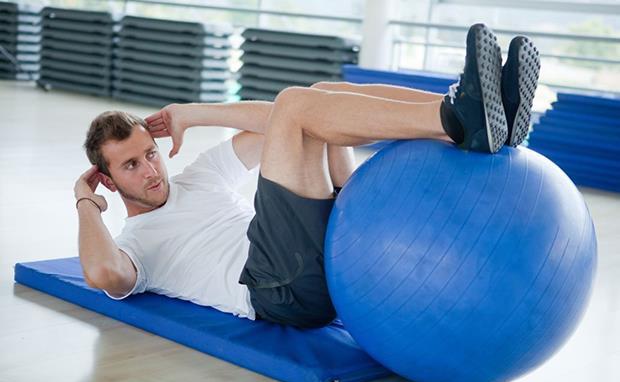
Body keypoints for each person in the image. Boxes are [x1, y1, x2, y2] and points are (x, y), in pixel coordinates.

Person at [74, 23, 540, 328]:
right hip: (280, 289)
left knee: (320, 93)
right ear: (108, 180)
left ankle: (468, 117)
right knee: (298, 105)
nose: (151, 170)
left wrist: (193, 113)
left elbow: (275, 119)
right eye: (131, 165)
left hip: (321, 256)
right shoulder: (133, 244)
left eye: (150, 154)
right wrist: (85, 200)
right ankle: (457, 120)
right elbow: (102, 273)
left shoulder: (199, 176)